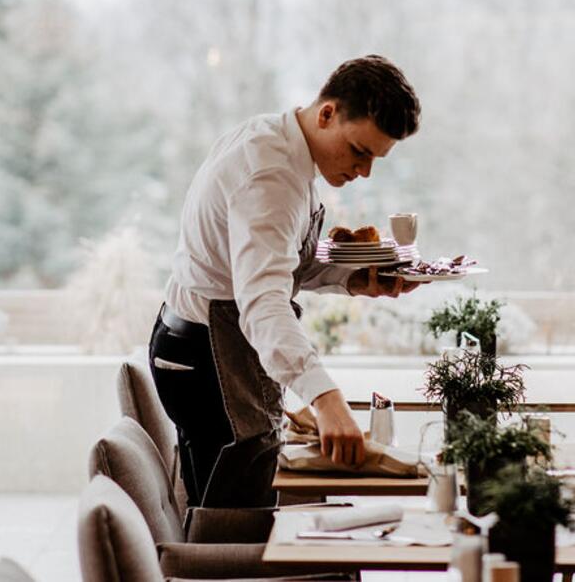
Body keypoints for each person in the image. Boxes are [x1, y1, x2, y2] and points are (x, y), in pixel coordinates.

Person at [148, 55, 422, 508]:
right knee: (236, 520)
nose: (364, 171)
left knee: (253, 504)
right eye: (359, 151)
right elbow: (262, 302)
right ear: (328, 113)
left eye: (375, 159)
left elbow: (277, 265)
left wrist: (357, 280)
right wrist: (326, 399)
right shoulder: (271, 175)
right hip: (209, 355)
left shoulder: (276, 139)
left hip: (211, 342)